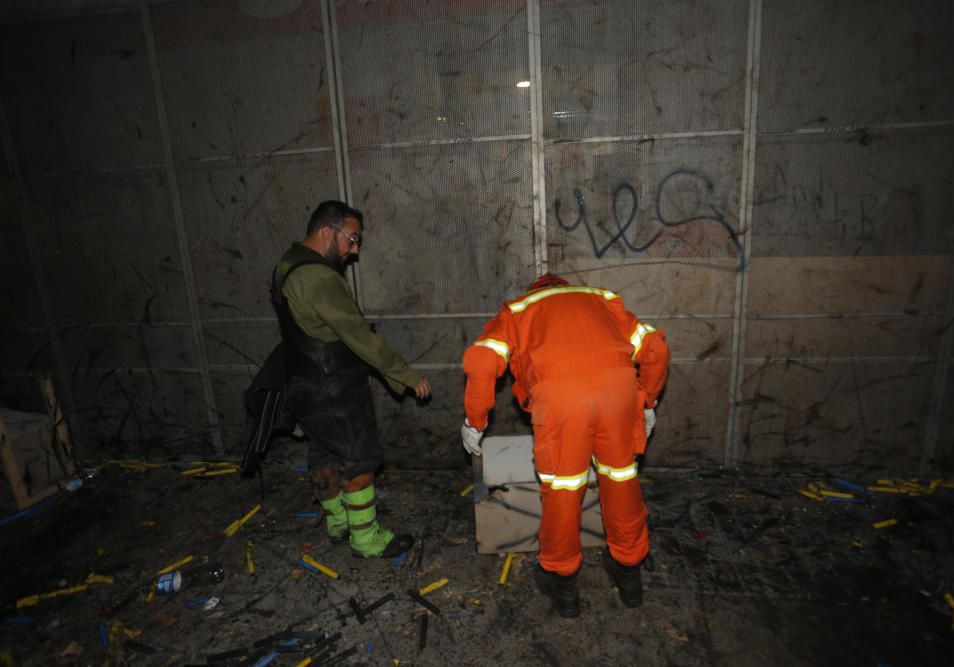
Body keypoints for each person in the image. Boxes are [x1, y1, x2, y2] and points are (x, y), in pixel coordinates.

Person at [461, 273, 669, 617]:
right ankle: (630, 576)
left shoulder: (519, 309)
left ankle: (564, 587)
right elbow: (657, 349)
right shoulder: (602, 300)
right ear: (566, 288)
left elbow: (482, 360)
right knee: (621, 483)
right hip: (618, 394)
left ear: (537, 292)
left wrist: (475, 421)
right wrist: (647, 402)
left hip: (560, 401)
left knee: (562, 493)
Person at [272, 200, 432, 559]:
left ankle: (339, 523)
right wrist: (404, 374)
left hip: (301, 384)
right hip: (333, 387)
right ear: (328, 231)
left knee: (323, 454)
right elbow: (358, 335)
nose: (354, 250)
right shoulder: (319, 278)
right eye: (352, 239)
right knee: (360, 458)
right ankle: (367, 538)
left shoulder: (286, 264)